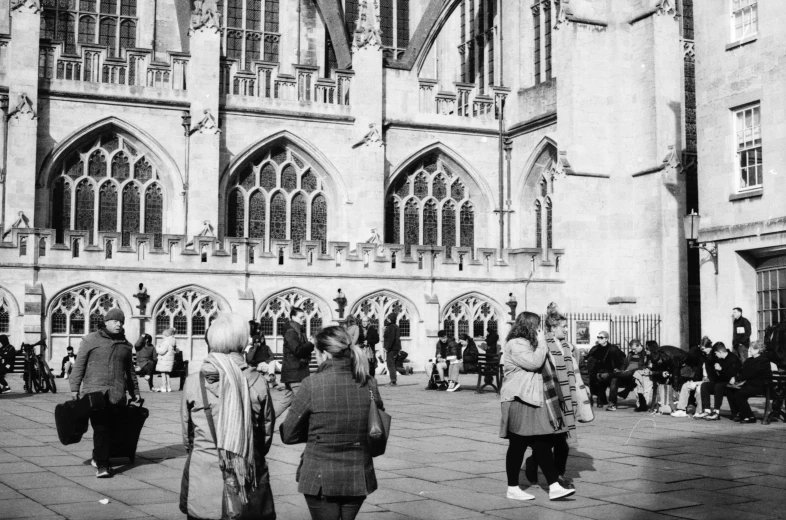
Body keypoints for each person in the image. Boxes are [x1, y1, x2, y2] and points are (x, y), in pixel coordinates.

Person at [180, 313, 276, 520]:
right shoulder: (257, 381)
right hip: (246, 477)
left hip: (203, 472)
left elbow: (188, 434)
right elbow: (264, 433)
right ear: (242, 342)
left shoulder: (194, 382)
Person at [280, 326, 382, 520]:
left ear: (325, 354)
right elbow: (376, 423)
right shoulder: (369, 382)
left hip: (320, 475)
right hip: (357, 473)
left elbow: (289, 434)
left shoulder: (312, 383)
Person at [500, 312, 575, 502]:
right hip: (519, 398)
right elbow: (534, 363)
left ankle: (554, 486)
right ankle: (513, 487)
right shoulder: (516, 343)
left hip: (532, 399)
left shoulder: (527, 344)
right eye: (537, 326)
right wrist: (542, 342)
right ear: (529, 326)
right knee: (518, 444)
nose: (539, 330)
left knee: (540, 442)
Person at [69, 308, 141, 478]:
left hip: (117, 393)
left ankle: (98, 456)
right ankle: (102, 465)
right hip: (95, 394)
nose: (119, 324)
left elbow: (129, 371)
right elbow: (79, 365)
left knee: (111, 429)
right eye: (115, 321)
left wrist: (135, 391)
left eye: (121, 322)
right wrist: (74, 388)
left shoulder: (125, 345)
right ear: (106, 322)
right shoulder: (90, 340)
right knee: (101, 427)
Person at [280, 307, 315, 420]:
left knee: (286, 401)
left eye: (304, 317)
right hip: (295, 373)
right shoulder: (291, 332)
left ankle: (264, 420)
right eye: (301, 317)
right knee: (304, 403)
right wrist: (311, 344)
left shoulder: (297, 330)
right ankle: (294, 427)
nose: (303, 320)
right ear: (293, 317)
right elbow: (298, 350)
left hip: (294, 372)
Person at [726, 340, 772, 423]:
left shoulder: (763, 360)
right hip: (750, 384)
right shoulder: (750, 360)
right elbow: (742, 371)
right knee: (730, 390)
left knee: (740, 394)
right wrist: (735, 378)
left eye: (752, 349)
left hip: (760, 386)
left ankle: (749, 416)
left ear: (758, 350)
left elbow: (751, 373)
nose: (749, 350)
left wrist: (736, 379)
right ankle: (739, 413)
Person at [697, 342, 742, 420]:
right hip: (722, 381)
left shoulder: (733, 359)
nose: (715, 355)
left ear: (720, 352)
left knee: (719, 385)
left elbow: (732, 375)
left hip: (731, 383)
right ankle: (706, 410)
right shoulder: (720, 359)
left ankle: (716, 411)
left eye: (716, 353)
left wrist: (721, 369)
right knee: (705, 385)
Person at [672, 337, 713, 418]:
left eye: (704, 349)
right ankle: (681, 409)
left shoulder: (712, 357)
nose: (703, 351)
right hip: (703, 379)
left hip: (709, 380)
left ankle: (699, 411)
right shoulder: (702, 356)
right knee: (686, 385)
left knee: (699, 389)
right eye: (702, 349)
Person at [586, 331, 624, 410]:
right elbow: (588, 358)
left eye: (601, 337)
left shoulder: (613, 348)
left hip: (611, 372)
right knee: (597, 379)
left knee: (614, 381)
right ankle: (601, 399)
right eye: (598, 337)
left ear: (606, 339)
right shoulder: (595, 348)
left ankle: (612, 402)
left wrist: (618, 368)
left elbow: (622, 357)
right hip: (598, 372)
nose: (599, 339)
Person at [615, 340, 652, 411]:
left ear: (640, 345)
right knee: (615, 378)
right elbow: (625, 364)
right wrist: (622, 370)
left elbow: (642, 367)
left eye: (634, 349)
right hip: (627, 374)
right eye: (632, 349)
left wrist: (630, 371)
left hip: (635, 373)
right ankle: (613, 402)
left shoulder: (644, 354)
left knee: (634, 375)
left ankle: (626, 391)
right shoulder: (630, 353)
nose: (634, 351)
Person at [246, 322, 279, 388]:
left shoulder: (262, 337)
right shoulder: (249, 340)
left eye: (259, 328)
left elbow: (265, 348)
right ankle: (272, 380)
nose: (258, 330)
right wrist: (254, 347)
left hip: (265, 361)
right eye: (257, 328)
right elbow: (249, 358)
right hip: (256, 361)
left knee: (272, 363)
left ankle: (272, 378)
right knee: (273, 365)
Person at [155, 328, 177, 392]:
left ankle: (164, 387)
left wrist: (157, 347)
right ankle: (169, 387)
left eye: (163, 335)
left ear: (166, 335)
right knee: (167, 374)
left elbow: (161, 351)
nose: (162, 336)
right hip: (168, 360)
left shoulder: (166, 342)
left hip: (164, 361)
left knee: (163, 373)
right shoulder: (172, 341)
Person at [383, 313, 401, 386]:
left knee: (390, 364)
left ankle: (393, 381)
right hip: (396, 348)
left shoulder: (391, 327)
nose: (387, 319)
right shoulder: (396, 326)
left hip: (392, 348)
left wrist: (387, 348)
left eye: (388, 318)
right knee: (393, 364)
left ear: (390, 319)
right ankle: (393, 380)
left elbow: (391, 338)